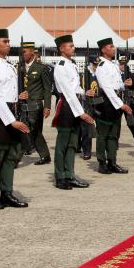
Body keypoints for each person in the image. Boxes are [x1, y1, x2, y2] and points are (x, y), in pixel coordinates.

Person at [0, 28, 30, 209]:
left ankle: (7, 192)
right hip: (1, 117)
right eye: (5, 41)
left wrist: (20, 96)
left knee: (11, 156)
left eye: (9, 41)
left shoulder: (9, 65)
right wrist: (12, 121)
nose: (9, 44)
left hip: (14, 111)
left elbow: (10, 91)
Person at [51, 35, 95, 190]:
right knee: (62, 144)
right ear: (62, 48)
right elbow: (68, 92)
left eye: (73, 45)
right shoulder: (61, 66)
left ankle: (70, 174)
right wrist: (81, 113)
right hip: (66, 107)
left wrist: (84, 92)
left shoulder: (72, 64)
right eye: (70, 46)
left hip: (75, 104)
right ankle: (60, 177)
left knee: (72, 144)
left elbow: (75, 88)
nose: (73, 48)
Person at [95, 37, 132, 174]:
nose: (113, 48)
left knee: (113, 135)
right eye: (110, 46)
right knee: (103, 134)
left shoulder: (113, 65)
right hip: (106, 103)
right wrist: (121, 104)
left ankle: (112, 162)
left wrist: (124, 84)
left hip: (116, 100)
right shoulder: (102, 66)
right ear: (103, 49)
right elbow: (107, 88)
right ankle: (101, 162)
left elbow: (116, 85)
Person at [19, 41, 52, 165]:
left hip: (35, 104)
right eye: (21, 52)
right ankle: (45, 156)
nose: (23, 54)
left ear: (32, 52)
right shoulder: (20, 67)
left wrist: (47, 106)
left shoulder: (41, 68)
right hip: (23, 104)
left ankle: (15, 158)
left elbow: (47, 89)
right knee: (33, 131)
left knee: (26, 130)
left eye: (25, 52)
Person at [78, 54, 99, 160]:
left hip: (98, 103)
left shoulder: (99, 74)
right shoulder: (83, 75)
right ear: (90, 64)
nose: (96, 67)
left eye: (97, 65)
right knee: (86, 129)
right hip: (87, 104)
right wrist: (85, 92)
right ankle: (86, 151)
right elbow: (78, 89)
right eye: (95, 65)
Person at [118, 56, 134, 147]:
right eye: (121, 64)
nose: (122, 66)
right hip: (118, 101)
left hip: (129, 101)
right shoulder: (116, 74)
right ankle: (115, 141)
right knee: (117, 123)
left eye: (124, 64)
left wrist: (130, 89)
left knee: (131, 122)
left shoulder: (132, 75)